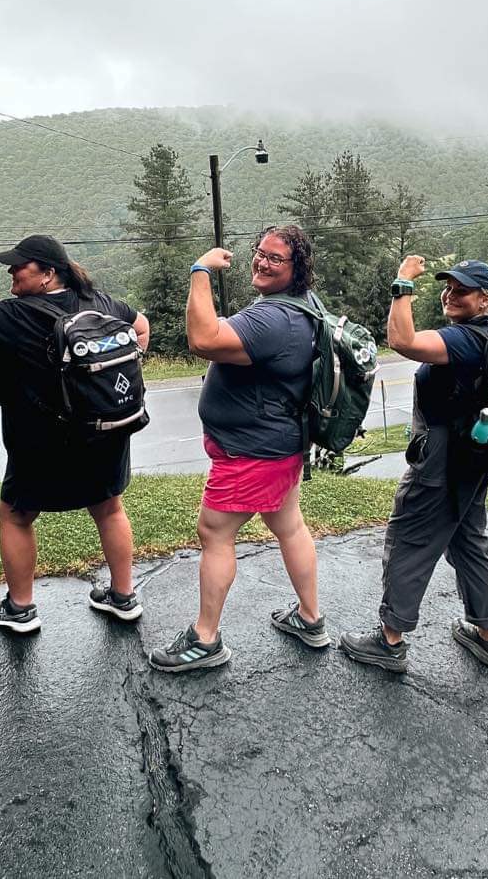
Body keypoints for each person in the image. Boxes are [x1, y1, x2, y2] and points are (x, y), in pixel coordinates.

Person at [0, 233, 150, 634]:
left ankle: (19, 609)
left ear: (48, 273)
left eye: (19, 265)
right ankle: (123, 597)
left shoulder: (14, 315)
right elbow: (142, 326)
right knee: (109, 507)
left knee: (16, 516)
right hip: (106, 430)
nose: (10, 271)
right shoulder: (102, 303)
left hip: (40, 440)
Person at [149, 225, 330, 672]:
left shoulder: (275, 319)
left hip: (253, 452)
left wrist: (200, 272)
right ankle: (310, 619)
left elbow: (203, 340)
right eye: (260, 252)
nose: (262, 262)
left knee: (215, 533)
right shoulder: (300, 306)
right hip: (279, 445)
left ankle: (205, 640)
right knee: (289, 526)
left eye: (276, 259)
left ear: (297, 268)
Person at [339, 256, 488, 673]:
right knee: (468, 539)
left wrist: (402, 283)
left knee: (409, 537)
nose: (450, 294)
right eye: (448, 286)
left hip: (441, 460)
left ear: (486, 300)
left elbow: (402, 340)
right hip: (473, 457)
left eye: (461, 289)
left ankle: (390, 639)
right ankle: (487, 635)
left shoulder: (465, 340)